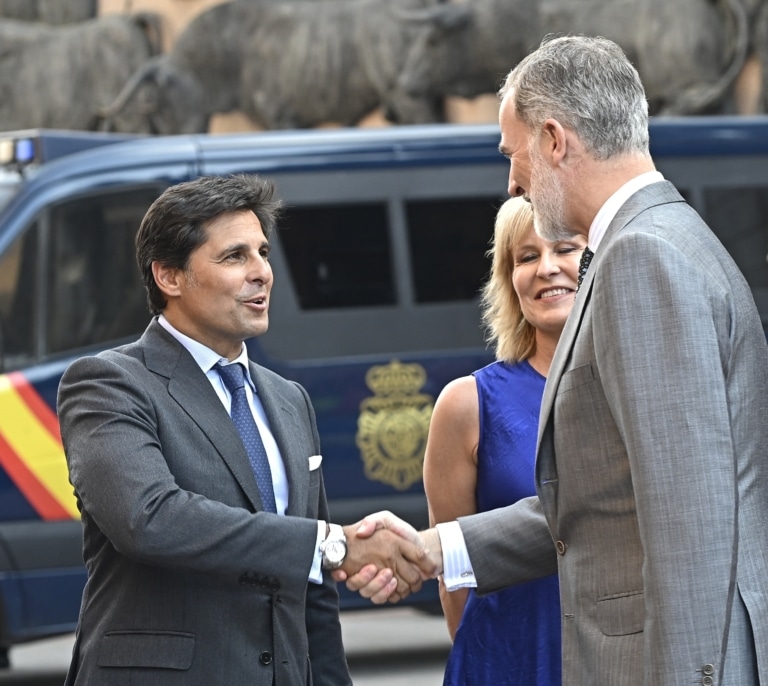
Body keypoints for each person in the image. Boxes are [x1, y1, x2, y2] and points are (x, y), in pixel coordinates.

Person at [338, 35, 768, 685]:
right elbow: (602, 505)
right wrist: (432, 549)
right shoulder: (664, 238)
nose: (512, 181)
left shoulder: (641, 256)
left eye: (514, 155)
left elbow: (690, 525)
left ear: (554, 139)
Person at [57, 173, 424, 686]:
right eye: (235, 257)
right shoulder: (108, 384)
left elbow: (312, 595)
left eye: (264, 252)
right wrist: (330, 544)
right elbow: (150, 519)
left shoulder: (288, 400)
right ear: (169, 276)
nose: (263, 274)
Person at [425, 196, 584, 685]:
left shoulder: (640, 389)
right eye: (527, 257)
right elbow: (452, 571)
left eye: (565, 249)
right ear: (508, 279)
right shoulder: (467, 403)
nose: (547, 269)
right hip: (504, 661)